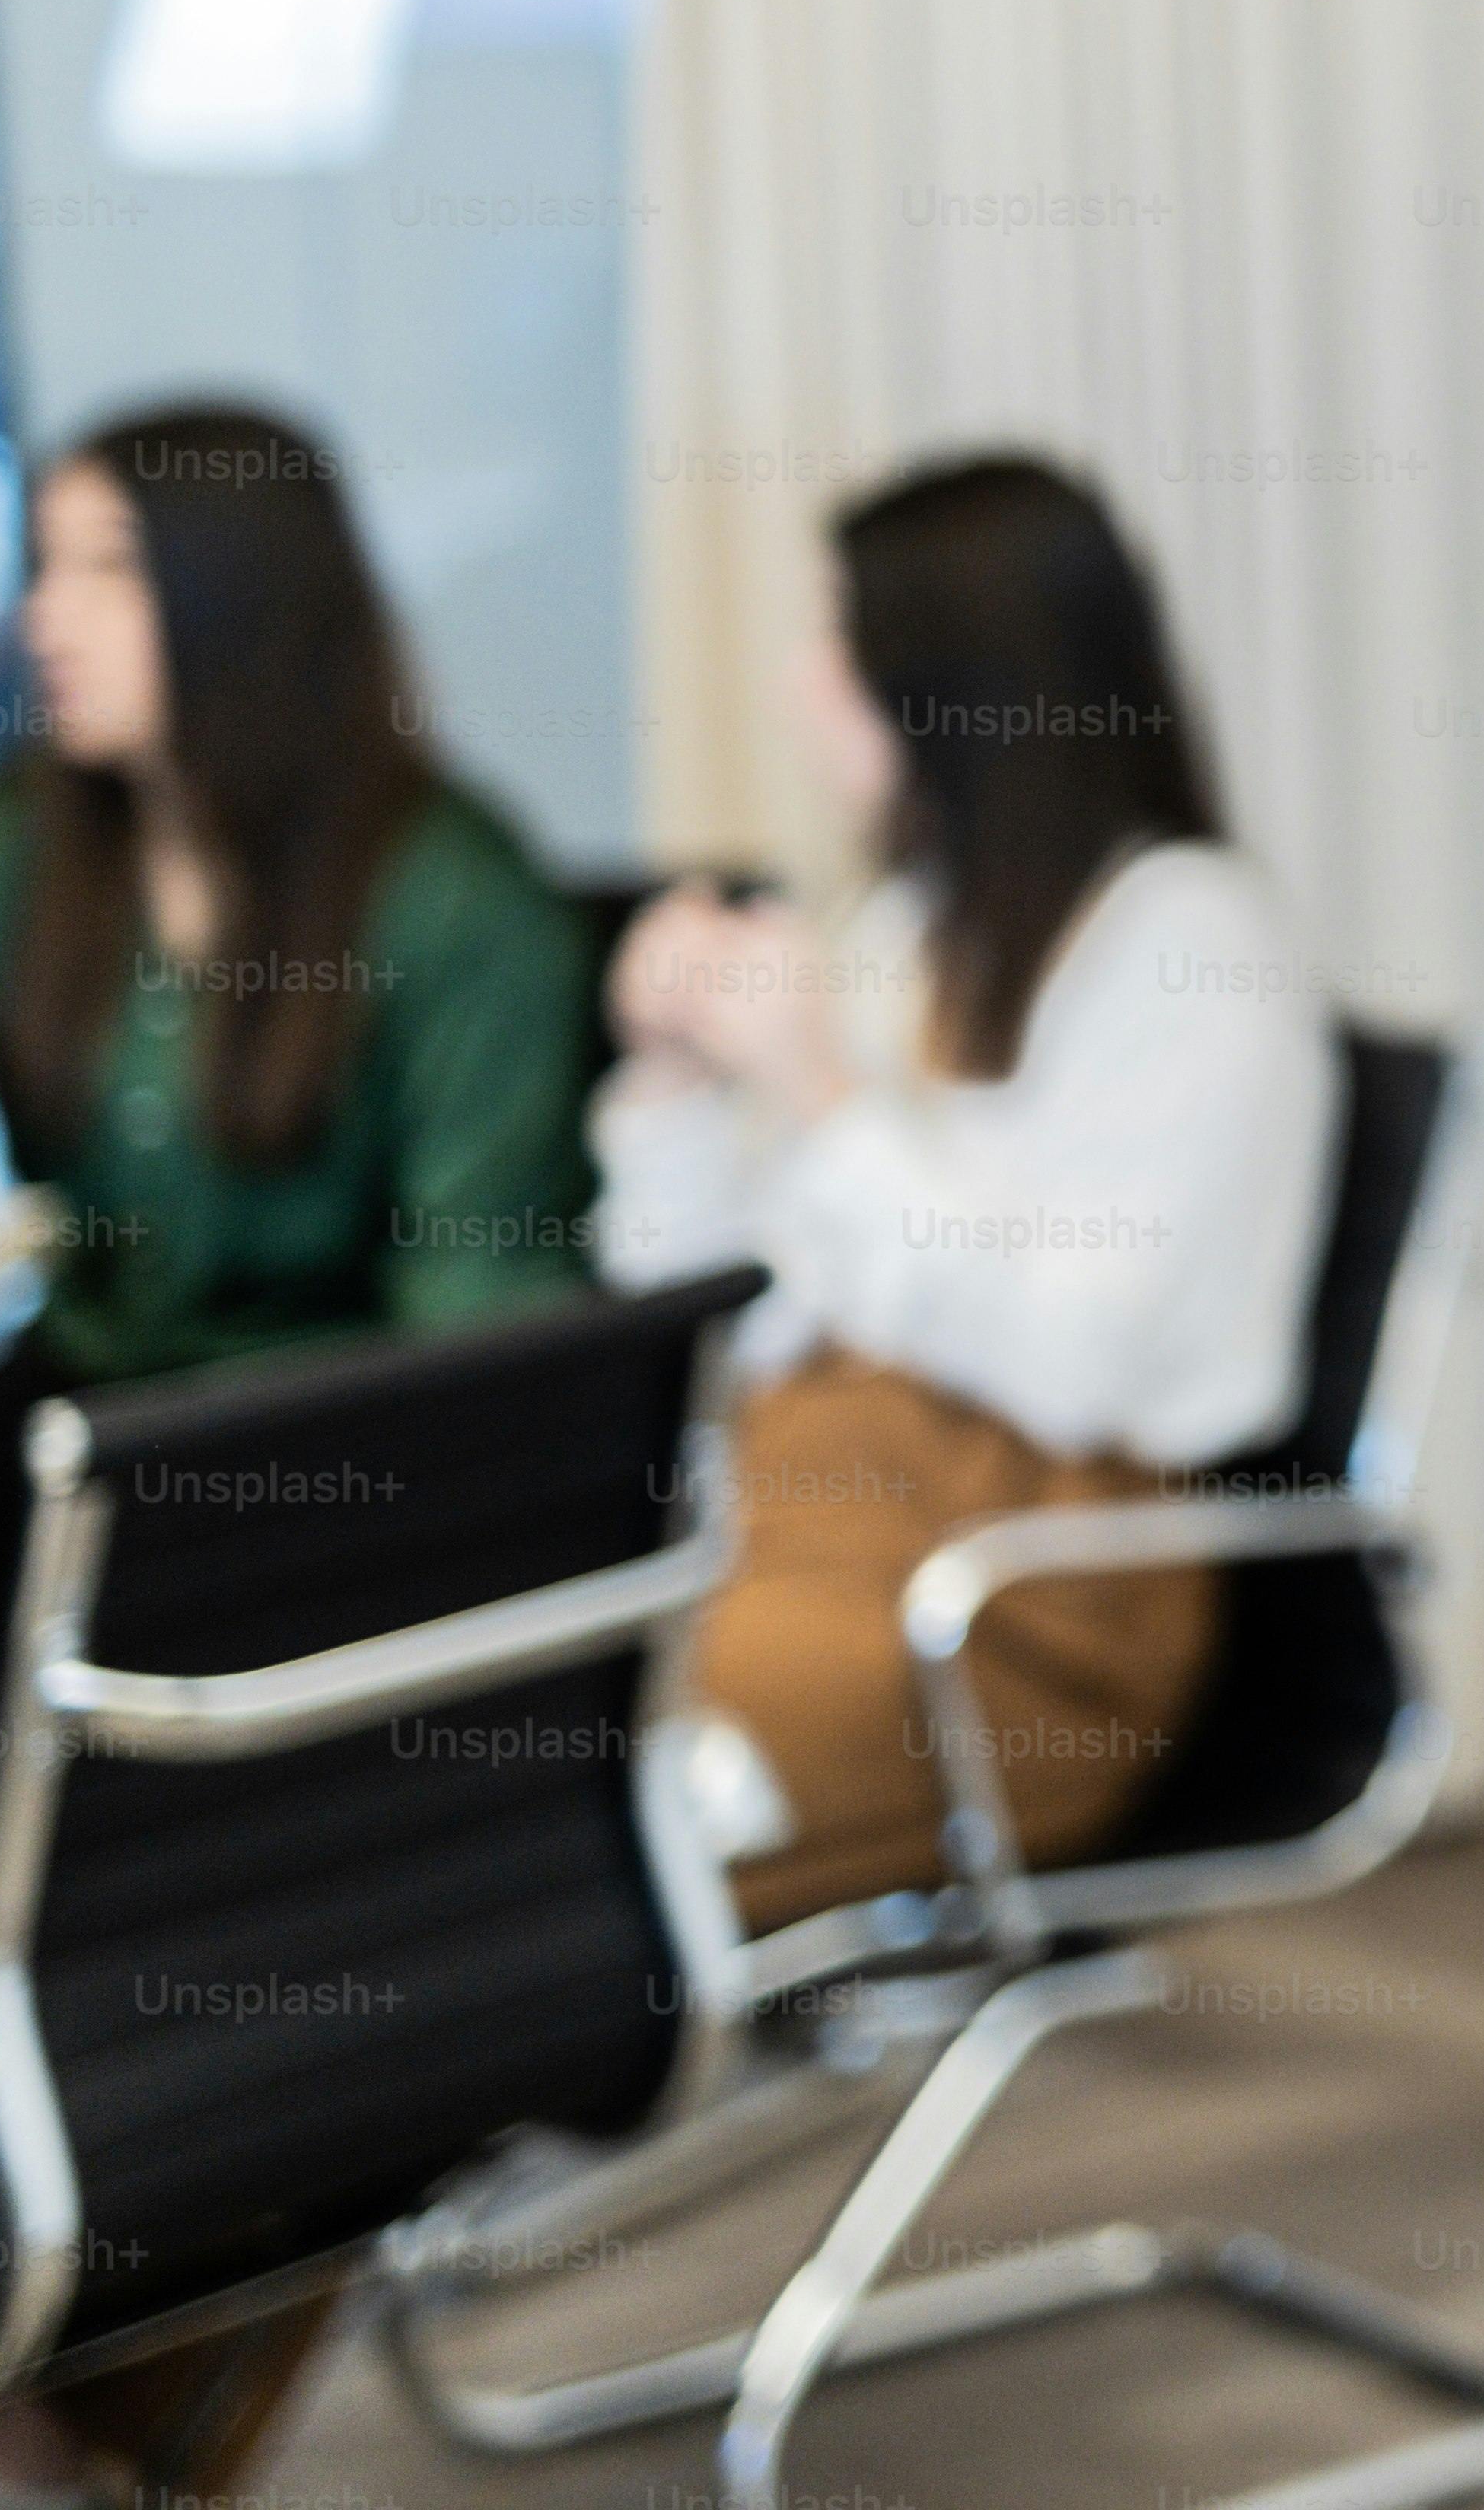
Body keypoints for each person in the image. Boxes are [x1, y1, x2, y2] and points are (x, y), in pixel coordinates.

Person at [0, 399, 598, 2499]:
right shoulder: (23, 853)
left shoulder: (451, 901)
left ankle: (10, 2286)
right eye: (43, 568)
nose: (43, 620)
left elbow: (478, 1367)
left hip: (302, 1509)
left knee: (63, 1832)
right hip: (63, 1459)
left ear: (240, 606)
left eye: (100, 570)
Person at [594, 453, 1333, 1932]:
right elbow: (723, 1316)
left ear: (957, 679)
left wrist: (820, 1094)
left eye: (835, 636)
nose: (801, 682)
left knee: (580, 1803)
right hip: (790, 1516)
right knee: (445, 1735)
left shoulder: (1193, 948)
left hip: (1028, 1599)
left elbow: (1069, 1367)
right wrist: (671, 1090)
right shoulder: (909, 930)